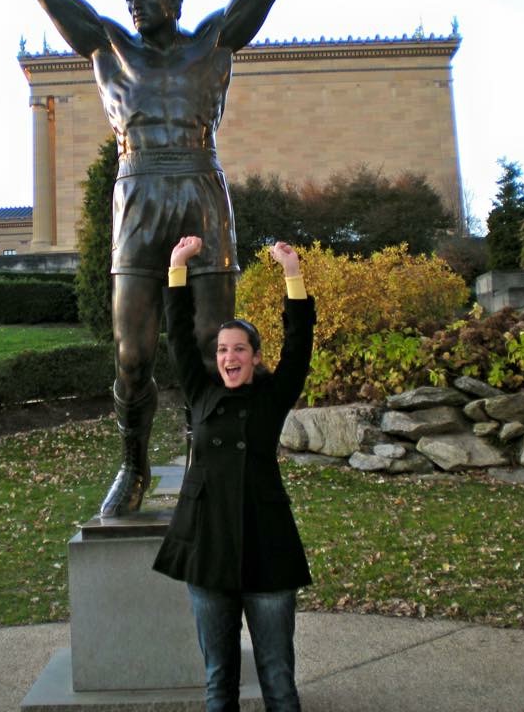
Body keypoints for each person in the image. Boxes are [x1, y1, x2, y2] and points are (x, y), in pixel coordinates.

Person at [0, 0, 315, 516]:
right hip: (136, 195)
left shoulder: (213, 41)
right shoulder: (110, 46)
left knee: (211, 347)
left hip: (200, 186)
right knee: (132, 353)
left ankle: (206, 464)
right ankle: (133, 467)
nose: (135, 3)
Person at [153, 235, 315, 712]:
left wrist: (292, 274)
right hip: (208, 550)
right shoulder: (201, 394)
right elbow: (179, 334)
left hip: (266, 547)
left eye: (240, 349)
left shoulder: (273, 394)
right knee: (218, 681)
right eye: (223, 349)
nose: (229, 357)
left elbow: (300, 343)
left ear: (255, 356)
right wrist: (177, 267)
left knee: (279, 680)